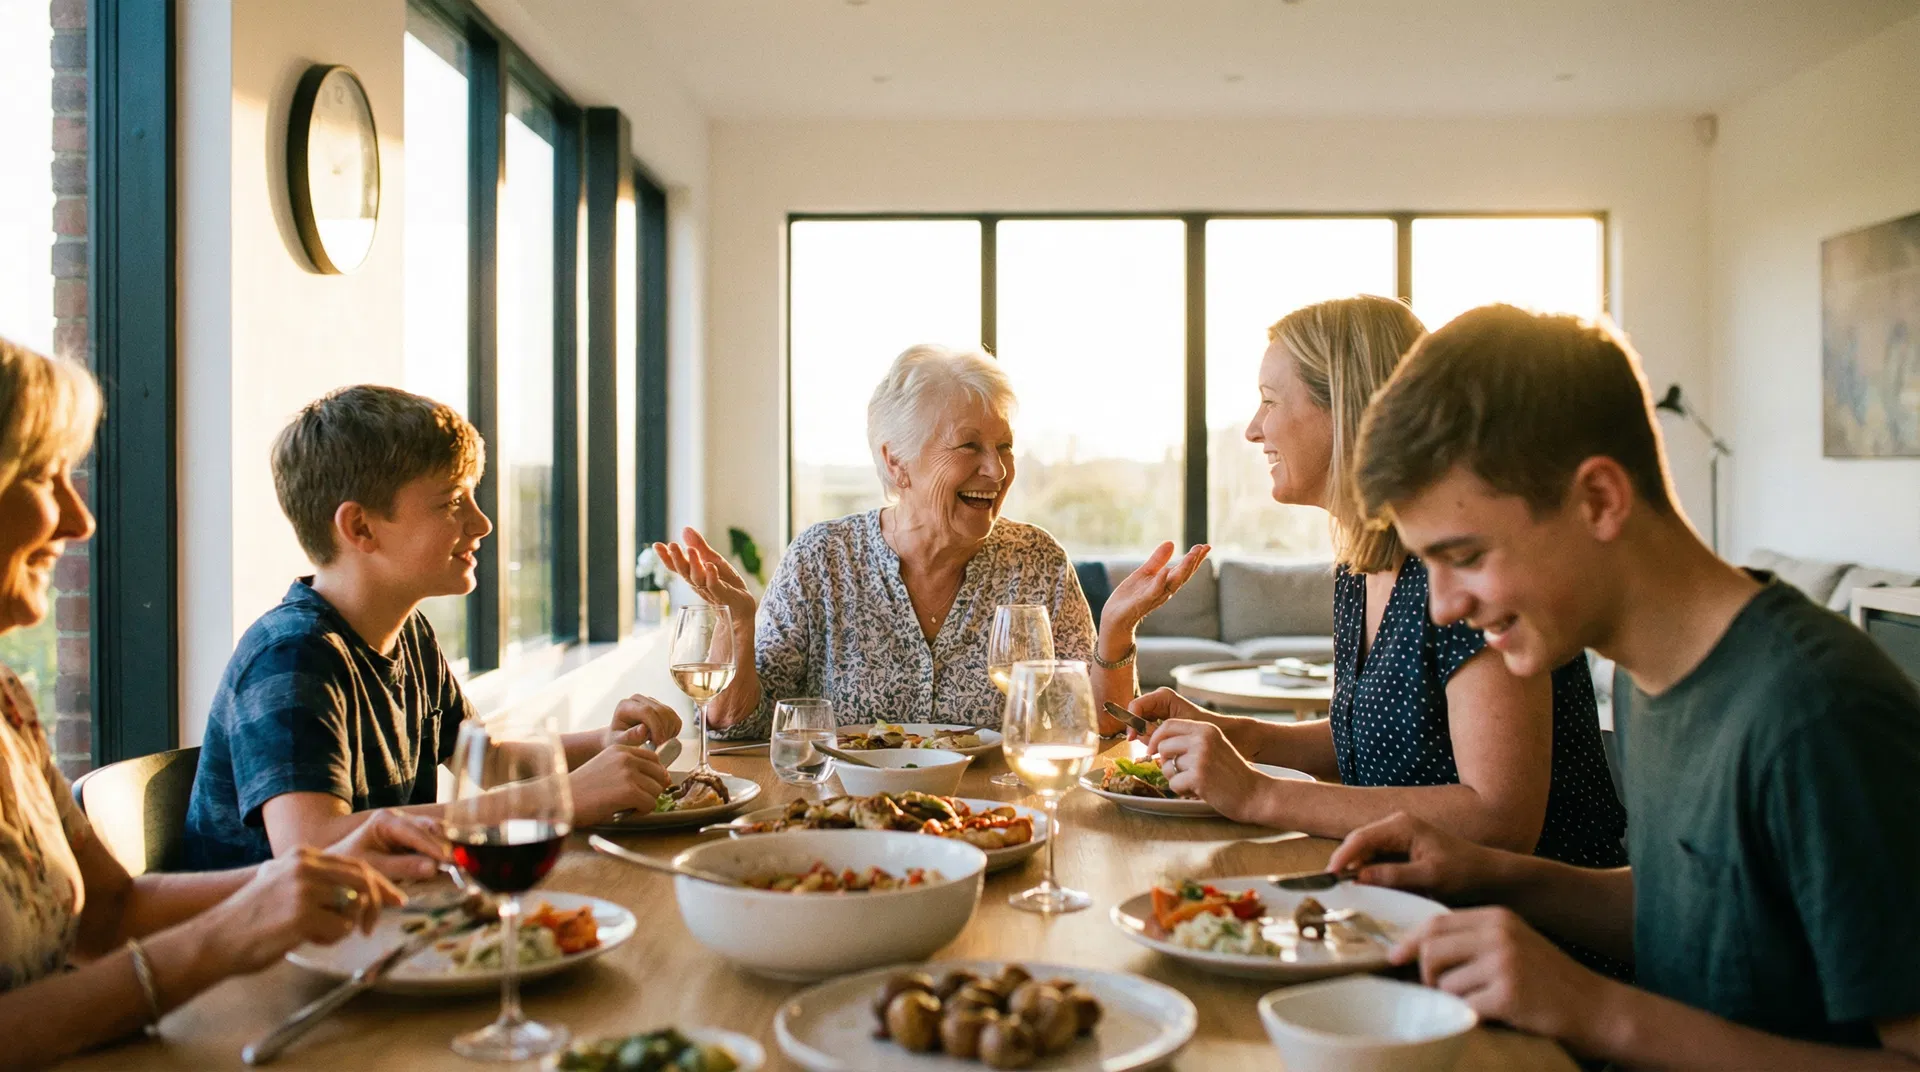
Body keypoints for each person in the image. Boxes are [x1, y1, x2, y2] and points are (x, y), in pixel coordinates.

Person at [1327, 305, 1920, 1065]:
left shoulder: (1819, 719)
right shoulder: (1649, 676)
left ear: (1599, 499)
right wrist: (1491, 873)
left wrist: (1590, 1007)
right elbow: (1699, 915)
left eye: (1466, 555)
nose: (1443, 606)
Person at [0, 339, 445, 1066]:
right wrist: (226, 937)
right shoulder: (293, 650)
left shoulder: (8, 707)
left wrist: (292, 882)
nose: (80, 522)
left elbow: (109, 914)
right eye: (44, 477)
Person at [1134, 296, 1626, 869]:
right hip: (1410, 902)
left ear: (1343, 410)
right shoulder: (1359, 568)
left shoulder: (1463, 568)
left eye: (1269, 402)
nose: (1251, 430)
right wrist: (1232, 736)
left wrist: (1261, 794)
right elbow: (1373, 743)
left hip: (1521, 933)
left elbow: (1500, 820)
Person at [184, 386, 682, 872]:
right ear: (360, 528)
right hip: (283, 949)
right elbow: (312, 846)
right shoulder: (291, 656)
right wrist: (562, 799)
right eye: (450, 502)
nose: (482, 523)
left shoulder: (408, 632)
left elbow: (485, 761)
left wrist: (603, 744)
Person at [656, 344, 1200, 737]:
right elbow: (735, 724)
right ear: (897, 462)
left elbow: (1103, 731)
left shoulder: (1036, 562)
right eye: (969, 446)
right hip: (846, 833)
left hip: (997, 825)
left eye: (1004, 446)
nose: (997, 469)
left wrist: (1117, 629)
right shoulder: (822, 560)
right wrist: (736, 624)